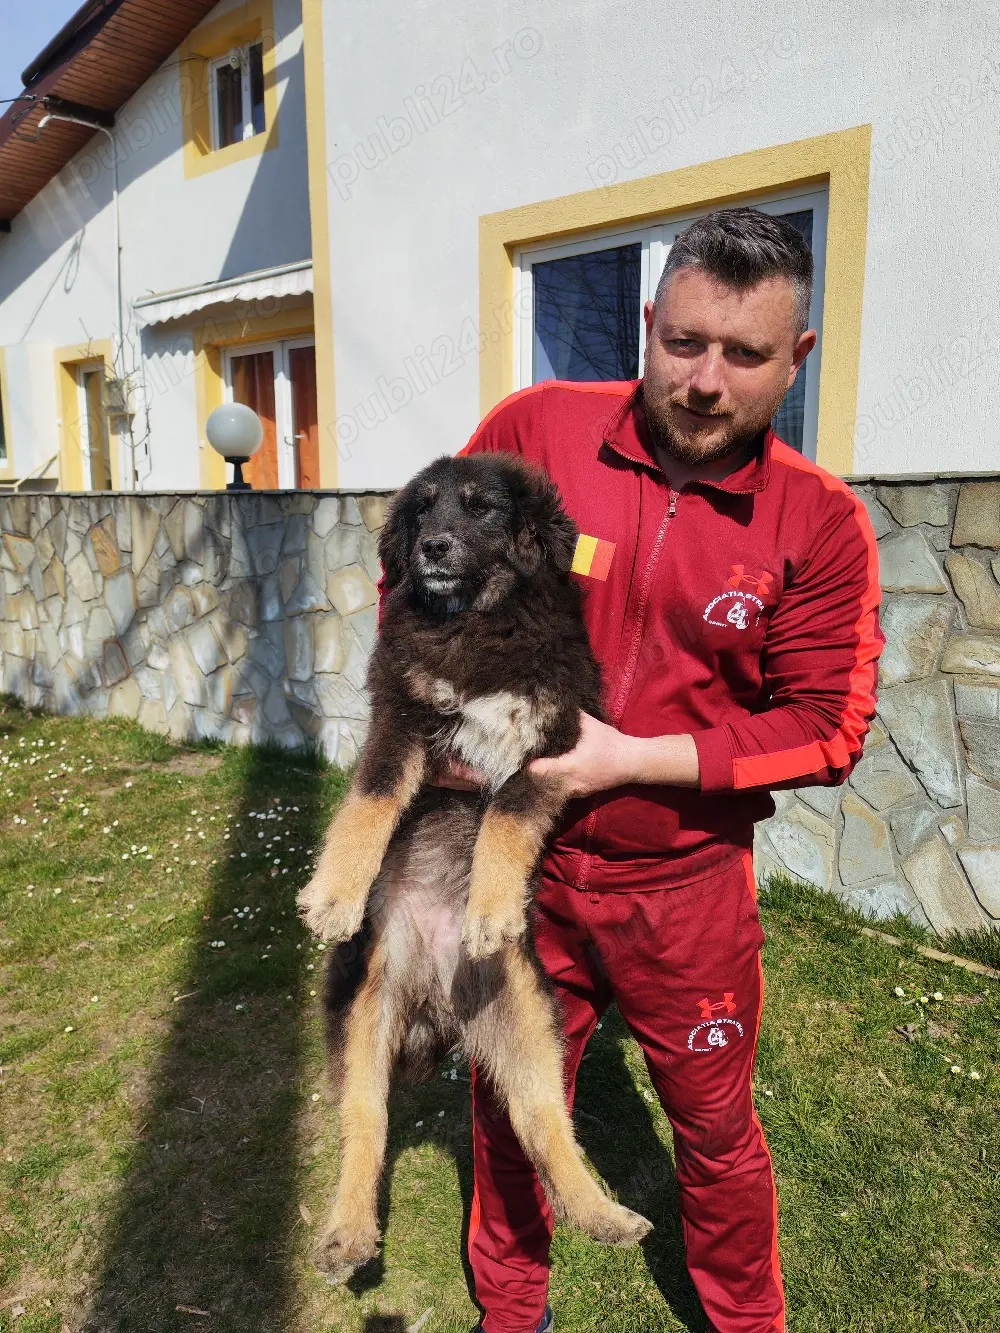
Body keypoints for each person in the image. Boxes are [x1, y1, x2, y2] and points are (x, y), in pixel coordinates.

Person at [394, 207, 883, 1333]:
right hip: (518, 875)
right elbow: (422, 592)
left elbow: (828, 723)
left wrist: (627, 759)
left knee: (713, 1129)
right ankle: (511, 1311)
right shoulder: (537, 433)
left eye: (745, 353)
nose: (705, 381)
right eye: (682, 342)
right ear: (648, 324)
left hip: (685, 894)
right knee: (514, 1103)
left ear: (795, 357)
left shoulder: (818, 524)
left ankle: (742, 1319)